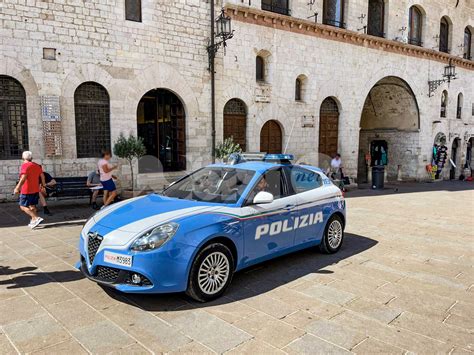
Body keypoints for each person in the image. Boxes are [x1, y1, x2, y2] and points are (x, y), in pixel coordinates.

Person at [13, 151, 45, 229]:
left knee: (22, 206)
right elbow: (42, 176)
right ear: (31, 158)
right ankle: (33, 221)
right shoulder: (37, 166)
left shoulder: (25, 166)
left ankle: (36, 218)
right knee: (32, 206)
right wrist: (43, 186)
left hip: (26, 190)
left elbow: (23, 178)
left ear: (23, 158)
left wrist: (17, 187)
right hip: (35, 189)